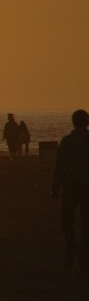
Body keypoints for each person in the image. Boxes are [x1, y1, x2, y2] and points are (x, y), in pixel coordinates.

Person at [51, 109, 89, 270]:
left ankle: (72, 245)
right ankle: (84, 258)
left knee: (66, 222)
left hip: (71, 187)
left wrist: (54, 187)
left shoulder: (67, 141)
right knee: (86, 225)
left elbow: (59, 166)